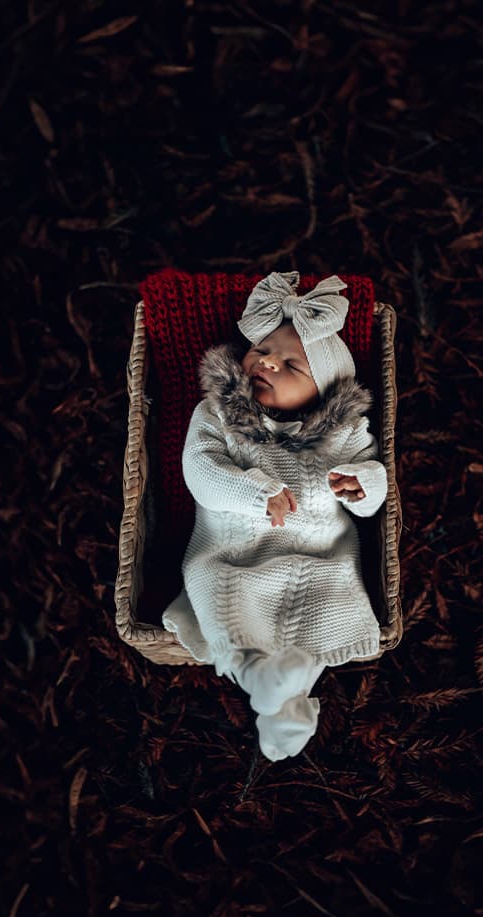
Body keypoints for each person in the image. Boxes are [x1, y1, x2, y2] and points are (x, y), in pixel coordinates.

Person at [162, 271, 388, 762]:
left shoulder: (343, 437)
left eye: (291, 365)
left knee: (319, 617)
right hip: (235, 552)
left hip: (322, 556)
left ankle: (281, 708)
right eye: (263, 348)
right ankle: (264, 685)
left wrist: (362, 484)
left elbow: (374, 491)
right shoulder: (221, 416)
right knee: (230, 603)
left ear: (322, 395)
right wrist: (253, 491)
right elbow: (199, 471)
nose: (266, 361)